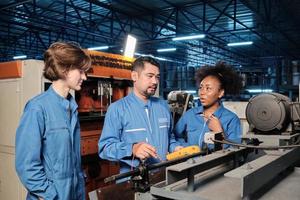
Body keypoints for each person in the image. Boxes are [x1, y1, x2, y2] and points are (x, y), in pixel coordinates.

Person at [15, 42, 91, 200]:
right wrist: (50, 194)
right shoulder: (37, 108)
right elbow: (27, 165)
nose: (84, 77)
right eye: (81, 71)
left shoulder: (72, 107)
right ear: (65, 70)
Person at [98, 56, 172, 175]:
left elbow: (170, 138)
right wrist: (132, 149)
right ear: (134, 76)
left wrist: (177, 148)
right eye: (150, 76)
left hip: (164, 177)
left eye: (157, 77)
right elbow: (105, 148)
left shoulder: (163, 107)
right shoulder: (117, 109)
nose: (155, 81)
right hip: (134, 180)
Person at [170, 62, 243, 152]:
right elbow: (174, 136)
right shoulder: (190, 115)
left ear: (220, 93)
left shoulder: (231, 119)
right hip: (190, 163)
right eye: (201, 87)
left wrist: (219, 132)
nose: (202, 92)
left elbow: (235, 151)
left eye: (208, 88)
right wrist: (182, 147)